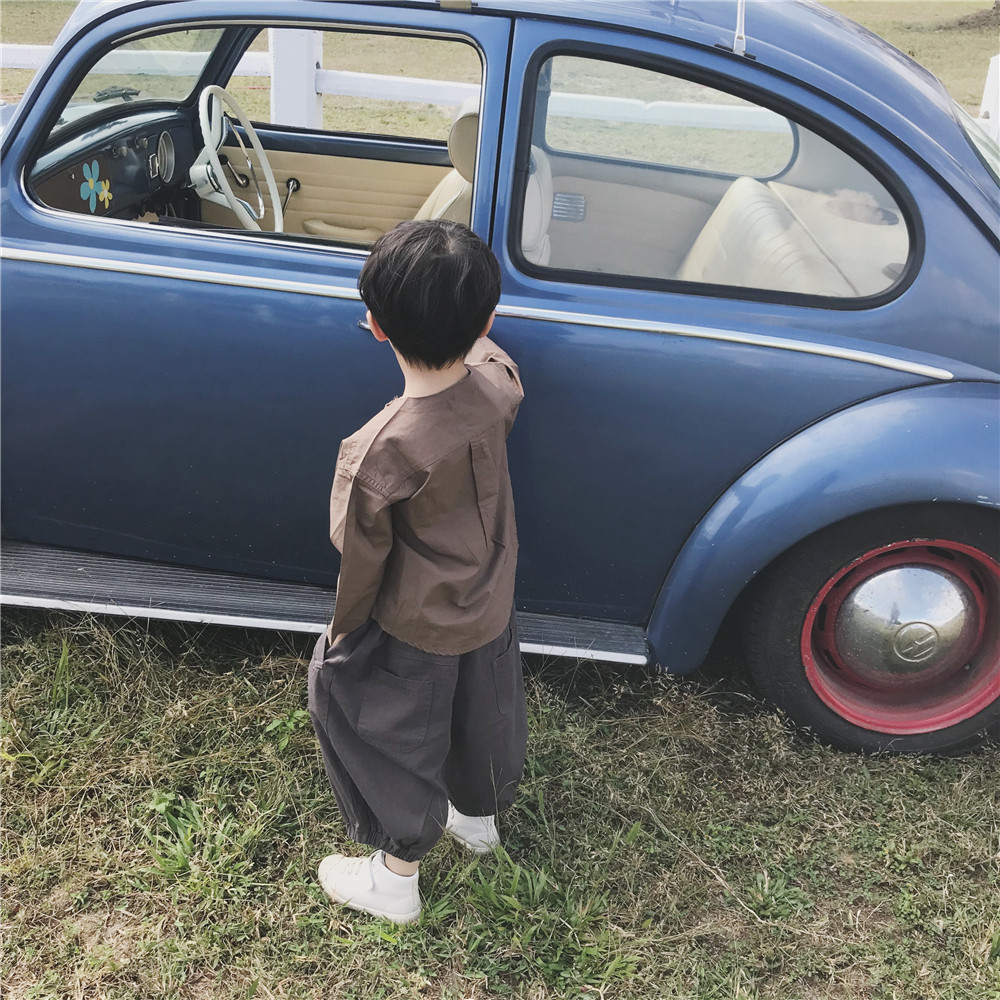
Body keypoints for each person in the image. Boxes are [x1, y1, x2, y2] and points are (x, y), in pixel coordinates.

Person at [307, 219, 527, 925]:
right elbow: (494, 360)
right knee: (484, 710)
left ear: (375, 327)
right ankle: (478, 821)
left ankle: (396, 880)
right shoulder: (499, 387)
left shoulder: (379, 450)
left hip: (417, 624)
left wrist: (346, 638)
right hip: (490, 601)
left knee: (398, 734)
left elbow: (359, 555)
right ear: (487, 322)